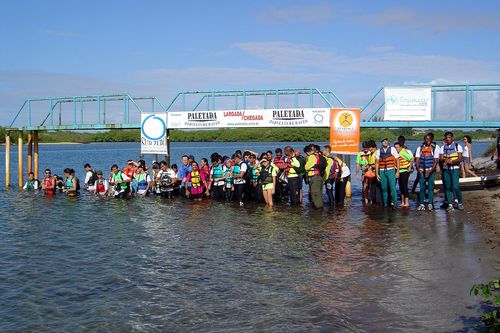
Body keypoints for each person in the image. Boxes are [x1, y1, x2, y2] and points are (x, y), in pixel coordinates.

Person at [440, 132, 464, 211]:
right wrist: (445, 161)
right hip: (446, 169)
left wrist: (451, 162)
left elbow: (460, 159)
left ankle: (460, 203)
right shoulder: (443, 147)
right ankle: (450, 204)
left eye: (449, 137)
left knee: (455, 186)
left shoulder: (458, 146)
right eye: (446, 138)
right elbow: (441, 158)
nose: (448, 139)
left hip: (455, 169)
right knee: (447, 187)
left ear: (452, 138)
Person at [415, 134, 439, 211]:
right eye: (426, 139)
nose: (427, 140)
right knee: (422, 188)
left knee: (430, 188)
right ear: (424, 139)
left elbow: (435, 161)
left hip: (430, 170)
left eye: (429, 139)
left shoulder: (435, 148)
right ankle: (421, 204)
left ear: (431, 139)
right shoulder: (419, 148)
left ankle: (430, 203)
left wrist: (430, 171)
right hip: (421, 170)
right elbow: (417, 160)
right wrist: (419, 170)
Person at [375, 138, 399, 208]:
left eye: (386, 141)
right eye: (383, 141)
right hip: (382, 171)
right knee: (384, 188)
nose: (385, 142)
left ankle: (395, 204)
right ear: (381, 143)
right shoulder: (379, 151)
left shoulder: (392, 149)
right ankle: (385, 204)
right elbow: (377, 163)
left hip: (391, 170)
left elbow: (397, 160)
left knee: (393, 188)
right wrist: (377, 174)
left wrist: (397, 172)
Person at [304, 144, 325, 209]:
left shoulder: (312, 157)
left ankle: (318, 212)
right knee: (319, 194)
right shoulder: (319, 155)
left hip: (315, 177)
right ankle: (321, 211)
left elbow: (307, 167)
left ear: (307, 152)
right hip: (320, 177)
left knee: (315, 194)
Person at [394, 142, 413, 208]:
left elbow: (411, 158)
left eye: (398, 147)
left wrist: (410, 166)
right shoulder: (396, 154)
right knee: (401, 187)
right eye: (395, 147)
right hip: (399, 171)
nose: (397, 149)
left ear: (400, 147)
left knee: (404, 186)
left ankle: (407, 202)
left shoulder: (403, 152)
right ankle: (402, 202)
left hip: (405, 171)